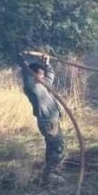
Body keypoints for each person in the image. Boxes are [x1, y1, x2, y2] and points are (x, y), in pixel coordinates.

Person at [20, 54, 66, 185]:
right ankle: (51, 174)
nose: (43, 76)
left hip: (53, 121)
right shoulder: (32, 88)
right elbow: (26, 75)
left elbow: (50, 74)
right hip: (48, 123)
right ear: (34, 75)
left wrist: (47, 63)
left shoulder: (44, 84)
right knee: (58, 147)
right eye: (40, 74)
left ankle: (49, 174)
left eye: (42, 74)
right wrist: (24, 63)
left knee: (53, 146)